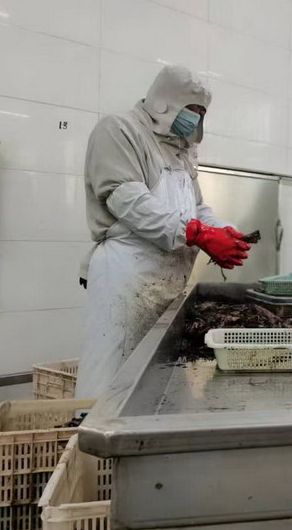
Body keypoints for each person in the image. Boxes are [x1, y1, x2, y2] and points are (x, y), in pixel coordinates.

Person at [76, 66, 251, 398]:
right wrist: (198, 234)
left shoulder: (181, 149)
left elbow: (196, 207)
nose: (195, 117)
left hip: (166, 282)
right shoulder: (120, 130)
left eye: (201, 112)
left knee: (152, 378)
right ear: (164, 100)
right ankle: (93, 428)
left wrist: (220, 230)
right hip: (126, 276)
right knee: (112, 371)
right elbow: (126, 200)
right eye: (191, 109)